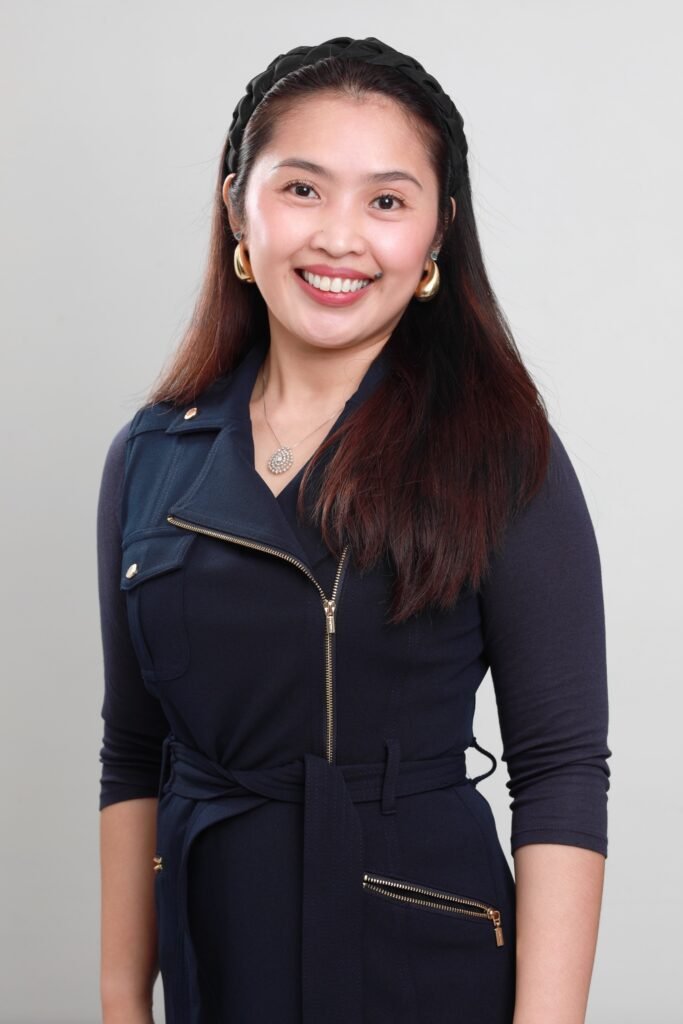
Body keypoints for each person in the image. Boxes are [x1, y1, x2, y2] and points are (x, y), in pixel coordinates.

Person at [97, 35, 612, 1024]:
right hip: (217, 949)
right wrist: (123, 1002)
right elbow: (132, 751)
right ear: (236, 204)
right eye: (302, 189)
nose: (339, 238)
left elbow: (558, 772)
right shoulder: (149, 454)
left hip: (418, 956)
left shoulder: (502, 453)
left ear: (435, 233)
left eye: (385, 201)